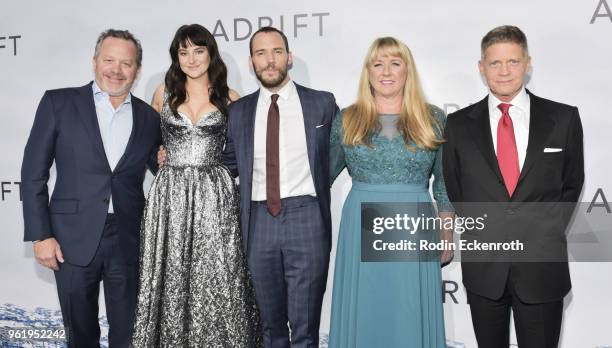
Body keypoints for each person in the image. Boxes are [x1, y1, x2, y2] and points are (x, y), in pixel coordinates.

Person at [442, 25, 584, 348]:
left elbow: (572, 185)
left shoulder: (563, 119)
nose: (504, 71)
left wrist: (542, 233)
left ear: (528, 63)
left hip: (542, 270)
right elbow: (456, 188)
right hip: (485, 271)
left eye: (513, 62)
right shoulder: (458, 126)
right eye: (494, 63)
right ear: (481, 68)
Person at [21, 29, 161, 347]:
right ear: (94, 61)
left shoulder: (149, 118)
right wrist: (41, 235)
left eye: (126, 63)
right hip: (70, 237)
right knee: (80, 334)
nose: (116, 69)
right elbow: (32, 174)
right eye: (109, 60)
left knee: (129, 334)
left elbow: (161, 169)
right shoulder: (58, 103)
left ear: (137, 70)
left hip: (128, 238)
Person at [131, 24, 260, 347]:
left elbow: (243, 152)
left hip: (215, 196)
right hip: (170, 195)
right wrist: (158, 158)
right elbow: (145, 144)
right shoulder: (163, 93)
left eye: (198, 50)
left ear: (210, 53)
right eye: (183, 52)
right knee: (171, 273)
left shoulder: (231, 98)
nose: (191, 59)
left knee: (217, 275)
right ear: (176, 57)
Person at [327, 37, 454, 348]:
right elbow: (320, 177)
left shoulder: (434, 118)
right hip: (360, 226)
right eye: (378, 63)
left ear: (407, 71)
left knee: (409, 310)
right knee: (367, 308)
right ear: (368, 72)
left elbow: (443, 184)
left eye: (395, 63)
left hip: (415, 226)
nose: (386, 71)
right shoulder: (347, 119)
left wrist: (447, 236)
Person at [223, 26, 339, 347]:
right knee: (270, 329)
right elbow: (224, 164)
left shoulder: (322, 104)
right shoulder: (238, 111)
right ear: (251, 63)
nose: (269, 60)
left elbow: (344, 152)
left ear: (289, 58)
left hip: (307, 217)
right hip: (258, 221)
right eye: (261, 53)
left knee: (305, 328)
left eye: (276, 52)